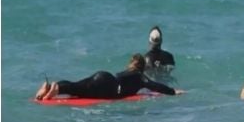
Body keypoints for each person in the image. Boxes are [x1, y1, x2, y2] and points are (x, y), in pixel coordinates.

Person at [34, 53, 185, 100]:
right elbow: (154, 85)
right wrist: (172, 91)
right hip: (108, 88)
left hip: (105, 76)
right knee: (79, 90)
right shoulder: (140, 77)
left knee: (77, 87)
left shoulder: (126, 72)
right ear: (142, 67)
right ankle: (56, 88)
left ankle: (53, 87)